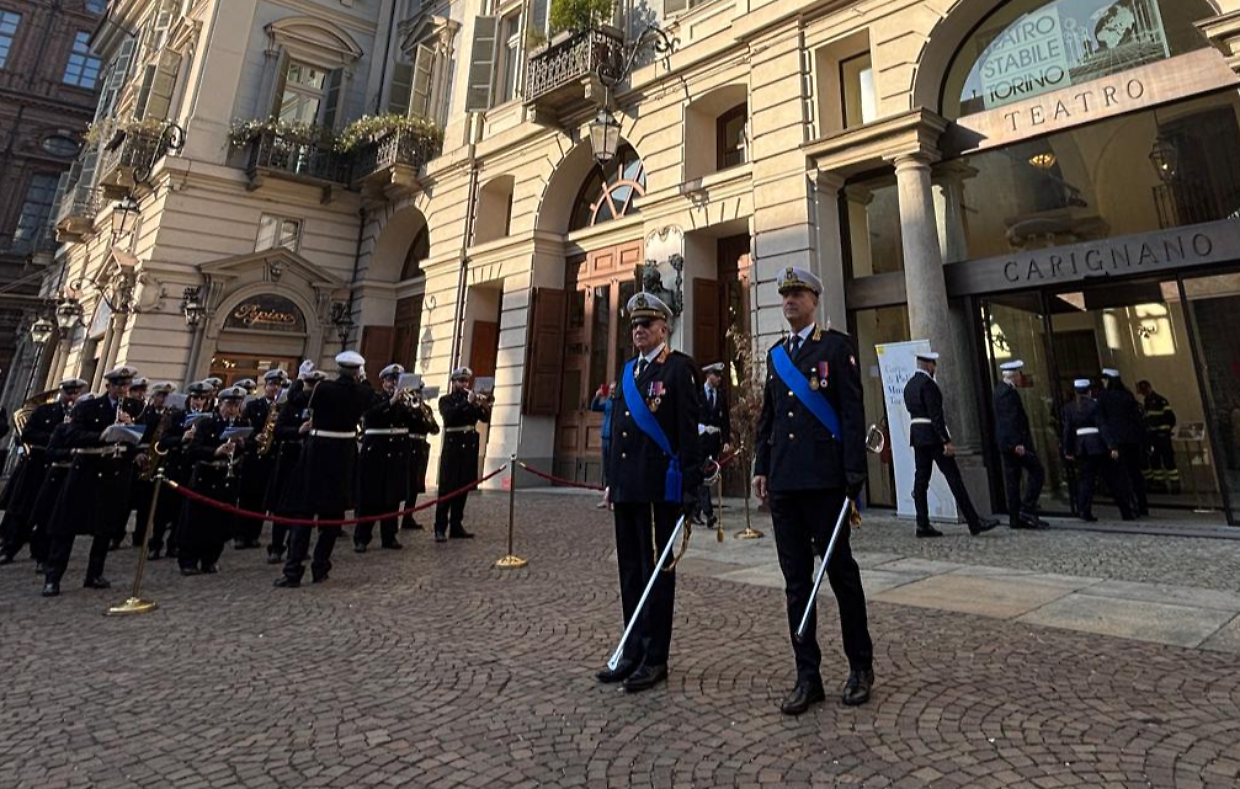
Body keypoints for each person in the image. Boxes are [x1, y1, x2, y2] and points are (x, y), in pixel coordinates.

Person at [752, 267, 874, 713]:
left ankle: (860, 666)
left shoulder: (835, 348)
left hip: (825, 482)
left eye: (797, 293)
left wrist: (854, 476)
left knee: (841, 575)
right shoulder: (776, 356)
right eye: (785, 294)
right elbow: (768, 419)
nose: (789, 301)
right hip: (785, 484)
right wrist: (761, 466)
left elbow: (852, 413)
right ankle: (808, 675)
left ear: (814, 299)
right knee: (796, 583)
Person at [597, 292, 701, 693]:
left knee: (657, 575)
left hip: (661, 490)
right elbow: (616, 435)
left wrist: (689, 489)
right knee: (630, 572)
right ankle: (632, 648)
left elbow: (686, 435)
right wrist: (612, 481)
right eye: (635, 324)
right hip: (628, 489)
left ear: (664, 328)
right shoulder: (627, 372)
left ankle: (655, 656)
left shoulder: (678, 370)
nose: (639, 330)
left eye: (647, 324)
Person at [274, 352, 373, 588]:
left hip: (317, 453)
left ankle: (293, 570)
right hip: (344, 456)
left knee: (303, 514)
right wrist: (363, 377)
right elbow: (371, 397)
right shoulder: (363, 392)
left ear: (338, 369)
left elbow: (294, 399)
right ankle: (321, 567)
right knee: (332, 518)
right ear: (358, 371)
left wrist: (301, 378)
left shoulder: (324, 388)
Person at [42, 366, 141, 597]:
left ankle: (94, 573)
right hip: (85, 472)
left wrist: (131, 427)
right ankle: (53, 577)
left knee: (104, 529)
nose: (123, 390)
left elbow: (138, 441)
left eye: (126, 386)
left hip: (112, 474)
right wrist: (101, 435)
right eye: (118, 385)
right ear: (109, 386)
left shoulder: (134, 408)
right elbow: (72, 435)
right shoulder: (87, 407)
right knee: (65, 528)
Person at [904, 351, 999, 538]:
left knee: (921, 480)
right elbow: (936, 415)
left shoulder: (909, 385)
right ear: (929, 365)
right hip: (933, 435)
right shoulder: (928, 385)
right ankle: (974, 521)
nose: (934, 368)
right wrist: (945, 440)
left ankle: (922, 523)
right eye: (934, 364)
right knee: (953, 477)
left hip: (918, 436)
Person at [0, 378, 85, 564]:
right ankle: (9, 548)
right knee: (22, 509)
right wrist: (54, 437)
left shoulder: (78, 415)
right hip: (36, 465)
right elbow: (27, 433)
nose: (71, 397)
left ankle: (40, 554)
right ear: (61, 393)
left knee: (47, 513)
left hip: (56, 470)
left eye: (75, 394)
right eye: (68, 393)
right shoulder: (44, 411)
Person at [177, 386, 248, 576]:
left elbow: (249, 449)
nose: (233, 409)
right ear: (220, 405)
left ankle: (210, 559)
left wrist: (243, 444)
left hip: (227, 477)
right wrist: (215, 451)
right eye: (229, 404)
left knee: (220, 522)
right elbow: (193, 451)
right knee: (196, 522)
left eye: (236, 405)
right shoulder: (206, 423)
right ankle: (189, 560)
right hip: (206, 476)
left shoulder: (241, 423)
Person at [266, 367, 326, 563]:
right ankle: (276, 547)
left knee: (305, 507)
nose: (312, 389)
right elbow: (279, 431)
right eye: (310, 384)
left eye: (316, 385)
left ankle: (297, 546)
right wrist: (298, 430)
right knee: (282, 507)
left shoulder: (321, 407)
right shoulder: (290, 405)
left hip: (310, 459)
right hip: (289, 459)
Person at [354, 364, 412, 552]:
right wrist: (391, 402)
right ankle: (362, 537)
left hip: (396, 452)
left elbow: (416, 423)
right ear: (384, 381)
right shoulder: (373, 396)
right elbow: (370, 415)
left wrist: (413, 406)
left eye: (397, 380)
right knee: (370, 497)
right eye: (391, 380)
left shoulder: (405, 401)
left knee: (392, 497)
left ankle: (389, 535)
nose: (394, 384)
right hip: (376, 451)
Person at [1063, 379, 1136, 522]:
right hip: (1098, 445)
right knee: (1113, 480)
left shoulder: (1069, 408)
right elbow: (1103, 426)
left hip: (1082, 447)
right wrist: (1112, 446)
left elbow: (1068, 431)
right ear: (1089, 391)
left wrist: (1068, 450)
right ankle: (1126, 511)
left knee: (1085, 482)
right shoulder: (1094, 405)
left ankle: (1084, 511)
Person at [433, 367, 491, 543]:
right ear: (454, 382)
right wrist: (468, 402)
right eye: (461, 381)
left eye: (466, 381)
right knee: (447, 489)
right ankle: (440, 528)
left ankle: (456, 525)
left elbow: (484, 419)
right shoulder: (446, 400)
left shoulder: (471, 401)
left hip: (468, 449)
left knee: (463, 488)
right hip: (453, 448)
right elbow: (449, 417)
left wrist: (483, 404)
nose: (464, 384)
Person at [992, 360, 1048, 529]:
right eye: (1019, 375)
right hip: (1014, 444)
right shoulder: (1007, 393)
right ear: (1015, 376)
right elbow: (1010, 420)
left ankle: (1016, 518)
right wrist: (1017, 443)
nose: (1021, 378)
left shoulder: (1000, 390)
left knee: (1013, 480)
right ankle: (1027, 509)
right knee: (1037, 471)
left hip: (1007, 443)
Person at [235, 369, 286, 550]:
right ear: (266, 386)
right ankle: (241, 534)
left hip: (271, 458)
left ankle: (254, 534)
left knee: (262, 499)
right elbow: (242, 428)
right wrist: (254, 437)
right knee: (247, 497)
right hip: (252, 457)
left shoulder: (282, 408)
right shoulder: (254, 406)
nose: (275, 389)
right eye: (272, 385)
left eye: (279, 386)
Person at [130, 382, 179, 551]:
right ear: (154, 396)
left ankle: (156, 539)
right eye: (160, 395)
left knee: (162, 505)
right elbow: (134, 436)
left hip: (164, 462)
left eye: (167, 396)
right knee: (142, 503)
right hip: (145, 458)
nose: (163, 399)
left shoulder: (173, 415)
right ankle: (139, 535)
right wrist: (137, 453)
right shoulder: (144, 413)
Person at [1099, 369, 1148, 517]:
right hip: (1132, 440)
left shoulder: (1104, 397)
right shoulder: (1127, 396)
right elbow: (1137, 419)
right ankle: (1142, 506)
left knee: (1121, 475)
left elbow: (1103, 422)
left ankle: (1129, 507)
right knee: (1135, 473)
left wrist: (1110, 443)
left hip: (1117, 442)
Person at [400, 380, 439, 532]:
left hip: (421, 447)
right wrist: (414, 408)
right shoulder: (407, 408)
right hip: (408, 444)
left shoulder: (426, 409)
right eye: (416, 392)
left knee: (415, 483)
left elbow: (435, 429)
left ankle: (408, 517)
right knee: (404, 482)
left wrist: (424, 413)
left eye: (420, 392)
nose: (418, 395)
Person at [697, 362, 731, 526]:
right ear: (708, 375)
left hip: (714, 442)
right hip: (700, 440)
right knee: (702, 474)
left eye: (719, 376)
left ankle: (696, 511)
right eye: (716, 375)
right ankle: (708, 513)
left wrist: (726, 440)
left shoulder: (721, 395)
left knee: (709, 476)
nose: (719, 379)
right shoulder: (698, 393)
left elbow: (725, 420)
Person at [1137, 380, 1179, 493]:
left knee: (1168, 460)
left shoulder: (1160, 400)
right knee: (1155, 459)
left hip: (1162, 435)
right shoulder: (1147, 401)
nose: (1144, 393)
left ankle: (1175, 485)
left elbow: (1170, 417)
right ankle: (1160, 485)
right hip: (1153, 436)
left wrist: (1165, 429)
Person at [589, 382, 617, 508]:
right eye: (610, 389)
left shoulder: (618, 402)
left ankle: (614, 498)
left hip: (614, 439)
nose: (611, 391)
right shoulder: (607, 403)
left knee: (613, 469)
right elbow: (594, 407)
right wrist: (597, 396)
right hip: (605, 438)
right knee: (606, 469)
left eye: (614, 389)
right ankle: (607, 497)